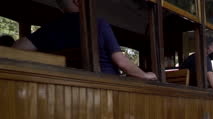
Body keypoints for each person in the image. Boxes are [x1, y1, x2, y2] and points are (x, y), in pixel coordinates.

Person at [13, 0, 157, 80]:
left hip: (67, 88)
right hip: (107, 88)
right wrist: (146, 75)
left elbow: (16, 49)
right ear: (78, 1)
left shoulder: (48, 29)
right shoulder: (98, 24)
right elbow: (121, 62)